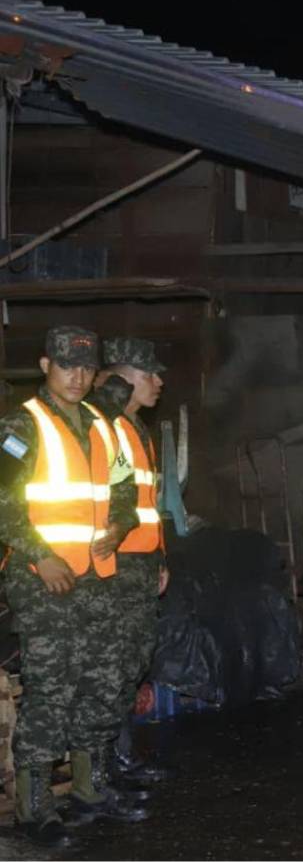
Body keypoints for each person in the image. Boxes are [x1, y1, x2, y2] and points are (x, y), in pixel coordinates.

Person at [0, 326, 148, 847]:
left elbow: (125, 488)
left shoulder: (102, 426)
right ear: (46, 366)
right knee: (52, 688)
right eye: (67, 367)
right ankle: (34, 810)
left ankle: (89, 789)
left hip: (97, 575)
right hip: (45, 581)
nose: (78, 377)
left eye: (86, 369)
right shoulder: (21, 424)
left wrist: (119, 525)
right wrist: (40, 556)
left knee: (102, 682)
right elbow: (3, 501)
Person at [90, 336, 170, 790]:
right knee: (110, 669)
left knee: (132, 665)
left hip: (141, 563)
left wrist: (160, 557)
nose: (158, 383)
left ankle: (119, 758)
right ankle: (102, 770)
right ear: (122, 379)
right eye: (150, 374)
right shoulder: (105, 423)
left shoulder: (137, 429)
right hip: (113, 565)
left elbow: (148, 506)